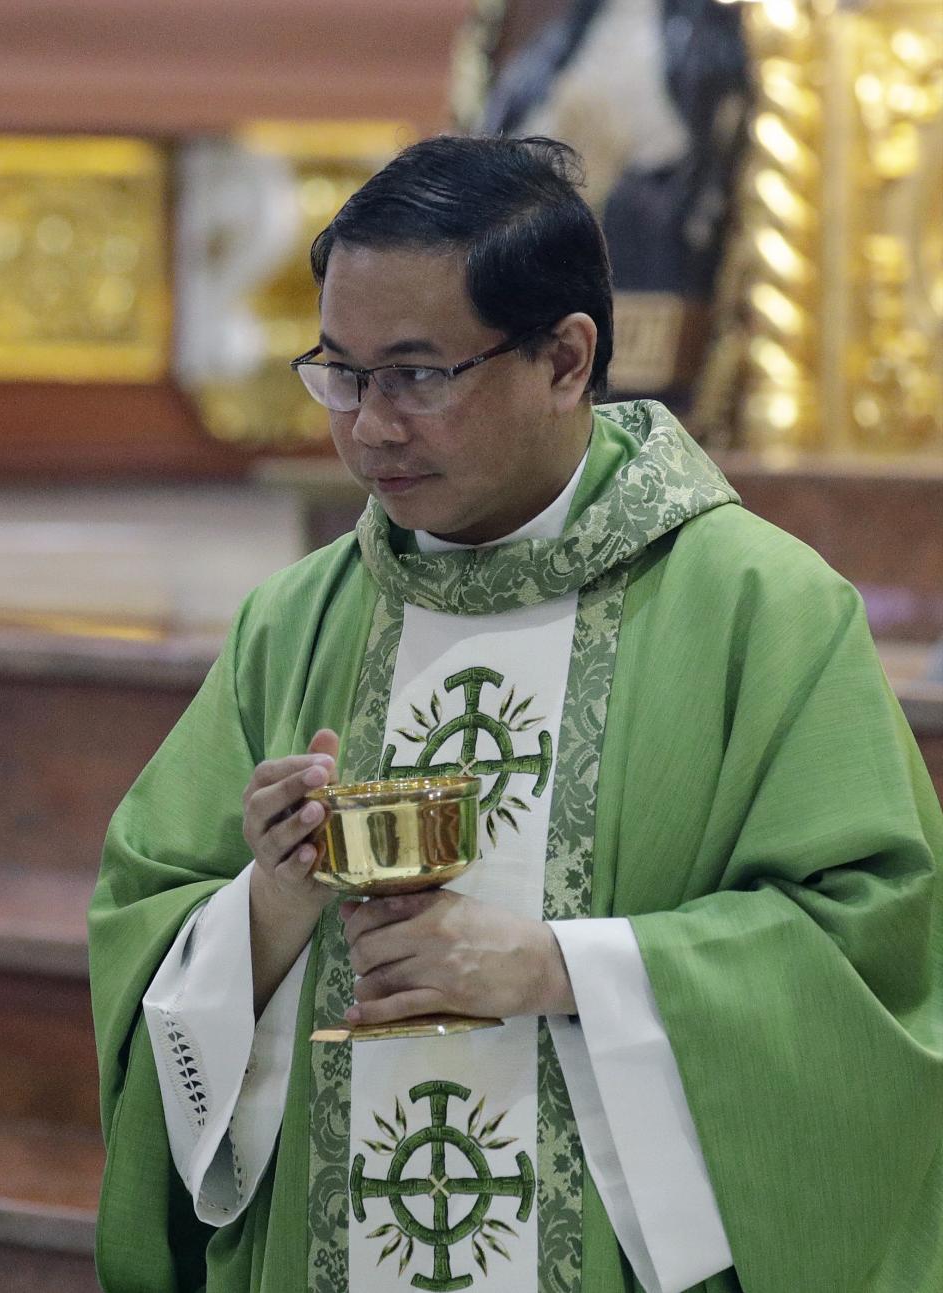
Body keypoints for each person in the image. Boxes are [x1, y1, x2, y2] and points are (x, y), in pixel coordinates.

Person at [90, 135, 943, 1293]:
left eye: (416, 375)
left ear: (564, 357)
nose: (368, 426)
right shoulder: (291, 624)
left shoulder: (760, 609)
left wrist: (558, 969)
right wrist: (269, 904)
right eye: (338, 372)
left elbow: (873, 960)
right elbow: (146, 937)